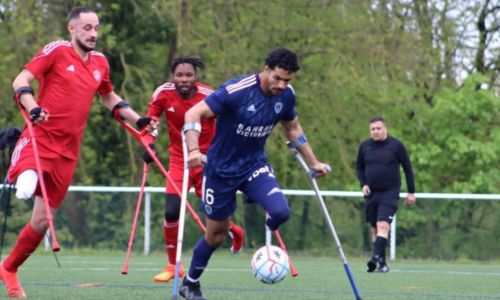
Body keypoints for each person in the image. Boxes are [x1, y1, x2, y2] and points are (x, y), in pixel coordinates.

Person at [0, 6, 157, 298]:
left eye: (96, 28)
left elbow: (108, 96)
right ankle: (23, 171)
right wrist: (33, 107)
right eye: (87, 28)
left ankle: (8, 268)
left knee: (42, 221)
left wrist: (139, 119)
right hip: (39, 139)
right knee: (25, 187)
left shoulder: (101, 62)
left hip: (68, 152)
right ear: (71, 28)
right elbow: (20, 81)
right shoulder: (56, 51)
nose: (93, 33)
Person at [180, 47, 331, 300]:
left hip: (254, 166)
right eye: (278, 78)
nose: (282, 85)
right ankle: (190, 284)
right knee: (215, 235)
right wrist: (194, 149)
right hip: (221, 171)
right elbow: (192, 113)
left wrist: (313, 162)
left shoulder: (287, 96)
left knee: (280, 211)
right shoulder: (236, 91)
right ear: (266, 70)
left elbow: (292, 127)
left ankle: (266, 243)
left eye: (287, 80)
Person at [144, 56, 244, 284]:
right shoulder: (162, 93)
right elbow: (150, 122)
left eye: (189, 75)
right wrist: (148, 143)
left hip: (208, 160)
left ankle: (233, 230)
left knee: (214, 215)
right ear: (173, 76)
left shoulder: (209, 96)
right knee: (171, 211)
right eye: (179, 75)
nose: (184, 79)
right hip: (179, 160)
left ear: (195, 76)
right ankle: (173, 265)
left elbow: (228, 122)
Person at [355, 117, 416, 273]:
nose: (375, 131)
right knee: (375, 228)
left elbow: (407, 168)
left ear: (385, 129)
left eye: (378, 128)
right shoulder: (364, 147)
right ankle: (381, 262)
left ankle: (374, 257)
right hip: (371, 194)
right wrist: (363, 184)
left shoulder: (396, 146)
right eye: (372, 129)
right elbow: (359, 168)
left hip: (390, 193)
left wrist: (411, 192)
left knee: (383, 225)